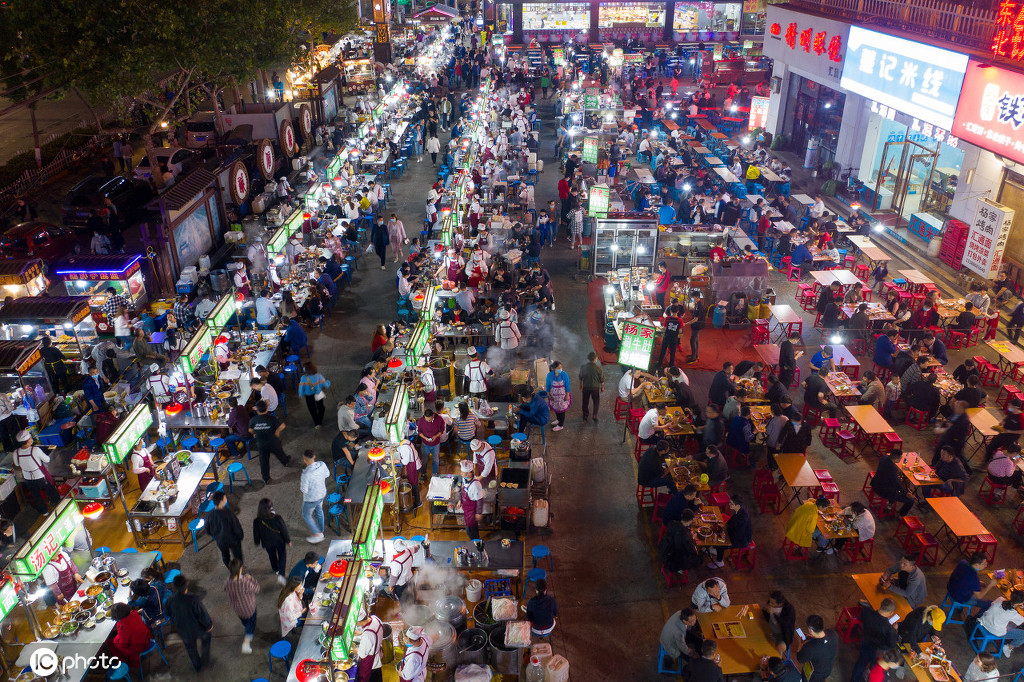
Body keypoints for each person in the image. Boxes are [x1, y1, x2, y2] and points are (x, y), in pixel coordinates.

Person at [165, 575, 213, 672]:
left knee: (191, 649)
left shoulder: (170, 600)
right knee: (206, 639)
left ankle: (198, 667)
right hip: (198, 629)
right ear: (187, 584)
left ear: (174, 586)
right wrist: (208, 625)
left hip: (183, 631)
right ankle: (205, 662)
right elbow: (202, 613)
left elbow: (168, 614)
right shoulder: (193, 598)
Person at [850, 598, 899, 682]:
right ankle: (869, 677)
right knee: (874, 666)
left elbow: (861, 617)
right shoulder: (890, 629)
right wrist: (895, 630)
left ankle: (854, 679)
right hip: (877, 650)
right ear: (891, 613)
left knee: (861, 663)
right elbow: (892, 644)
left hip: (865, 641)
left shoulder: (868, 612)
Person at [13, 429, 59, 514]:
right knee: (51, 491)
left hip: (28, 479)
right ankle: (58, 506)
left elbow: (17, 464)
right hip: (40, 477)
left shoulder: (16, 452)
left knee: (37, 496)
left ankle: (44, 512)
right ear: (28, 440)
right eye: (30, 438)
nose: (31, 439)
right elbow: (47, 459)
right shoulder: (35, 450)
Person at [249, 399, 291, 484]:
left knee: (263, 462)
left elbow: (250, 430)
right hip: (273, 442)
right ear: (267, 409)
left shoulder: (253, 420)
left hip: (262, 445)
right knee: (280, 453)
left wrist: (255, 433)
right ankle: (286, 462)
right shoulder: (272, 418)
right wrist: (277, 431)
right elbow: (282, 426)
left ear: (257, 409)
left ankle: (266, 478)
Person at [223, 559, 260, 654]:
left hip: (237, 609)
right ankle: (246, 643)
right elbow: (257, 589)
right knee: (251, 624)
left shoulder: (227, 582)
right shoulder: (245, 582)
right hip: (249, 609)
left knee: (245, 622)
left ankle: (247, 629)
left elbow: (226, 589)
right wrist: (251, 579)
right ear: (240, 569)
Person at [253, 498, 291, 585]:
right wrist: (288, 540)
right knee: (282, 556)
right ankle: (281, 575)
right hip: (279, 541)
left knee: (271, 555)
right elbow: (284, 530)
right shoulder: (277, 518)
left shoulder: (257, 521)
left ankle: (276, 569)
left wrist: (257, 541)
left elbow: (256, 533)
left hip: (267, 543)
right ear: (270, 507)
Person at [979, 590, 1024, 656]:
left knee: (1009, 622)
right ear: (1021, 603)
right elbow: (1022, 621)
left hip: (983, 622)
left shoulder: (1000, 599)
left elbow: (993, 605)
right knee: (1022, 634)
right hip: (994, 631)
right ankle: (1008, 647)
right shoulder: (1013, 614)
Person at [872, 449, 916, 515]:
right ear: (896, 459)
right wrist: (906, 493)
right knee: (910, 501)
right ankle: (901, 515)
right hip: (883, 491)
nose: (901, 459)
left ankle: (890, 503)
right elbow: (896, 484)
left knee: (899, 485)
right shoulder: (892, 468)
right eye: (900, 458)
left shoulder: (884, 458)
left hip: (876, 483)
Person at [107, 602, 151, 668]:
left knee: (112, 643)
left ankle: (123, 663)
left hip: (139, 647)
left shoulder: (124, 628)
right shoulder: (134, 613)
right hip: (146, 637)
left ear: (117, 618)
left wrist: (116, 638)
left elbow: (123, 645)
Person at [205, 491, 244, 567]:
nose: (226, 500)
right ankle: (238, 570)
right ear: (221, 501)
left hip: (220, 541)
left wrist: (216, 535)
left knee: (225, 555)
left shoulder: (208, 516)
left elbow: (207, 530)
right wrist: (240, 536)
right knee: (237, 556)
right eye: (225, 499)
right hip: (233, 540)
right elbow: (237, 528)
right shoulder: (229, 514)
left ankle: (230, 568)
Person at [795, 614, 837, 682]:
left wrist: (802, 643)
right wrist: (812, 637)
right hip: (827, 670)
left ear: (811, 630)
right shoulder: (833, 633)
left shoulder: (809, 647)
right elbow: (823, 641)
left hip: (814, 676)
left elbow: (799, 658)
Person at [300, 449, 329, 544]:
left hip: (311, 499)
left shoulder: (306, 474)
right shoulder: (322, 464)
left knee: (306, 515)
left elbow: (304, 490)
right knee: (319, 510)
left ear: (304, 460)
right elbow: (327, 474)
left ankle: (317, 534)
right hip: (322, 494)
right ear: (314, 456)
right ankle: (321, 531)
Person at [459, 459, 485, 541]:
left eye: (462, 472)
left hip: (472, 511)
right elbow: (463, 489)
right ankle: (476, 539)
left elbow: (480, 499)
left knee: (470, 529)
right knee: (472, 528)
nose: (461, 474)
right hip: (467, 509)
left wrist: (478, 513)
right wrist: (460, 500)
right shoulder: (465, 479)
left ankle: (476, 542)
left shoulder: (475, 485)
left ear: (469, 473)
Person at [764, 591, 797, 656]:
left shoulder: (789, 610)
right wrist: (765, 611)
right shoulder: (771, 602)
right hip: (768, 628)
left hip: (781, 634)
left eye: (772, 603)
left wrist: (774, 613)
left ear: (780, 604)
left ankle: (779, 658)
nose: (770, 604)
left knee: (781, 647)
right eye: (770, 601)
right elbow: (766, 613)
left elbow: (784, 624)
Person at [545, 361, 571, 431]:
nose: (560, 369)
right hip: (554, 396)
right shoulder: (550, 375)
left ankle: (560, 425)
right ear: (554, 368)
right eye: (558, 367)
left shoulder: (564, 374)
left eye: (561, 367)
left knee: (562, 410)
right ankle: (558, 420)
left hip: (563, 397)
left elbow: (567, 385)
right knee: (556, 408)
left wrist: (567, 395)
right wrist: (549, 395)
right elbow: (547, 385)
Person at [578, 351, 604, 422]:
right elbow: (601, 379)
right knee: (596, 401)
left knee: (585, 402)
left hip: (586, 387)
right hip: (595, 388)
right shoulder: (598, 368)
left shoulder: (583, 367)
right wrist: (602, 387)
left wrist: (581, 385)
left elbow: (580, 377)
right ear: (595, 359)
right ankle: (595, 415)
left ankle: (585, 416)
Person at [685, 292, 706, 363]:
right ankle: (695, 354)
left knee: (693, 340)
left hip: (697, 325)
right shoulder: (698, 304)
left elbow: (696, 319)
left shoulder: (699, 306)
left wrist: (687, 323)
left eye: (693, 297)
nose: (692, 299)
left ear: (697, 297)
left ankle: (693, 358)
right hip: (697, 325)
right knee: (696, 339)